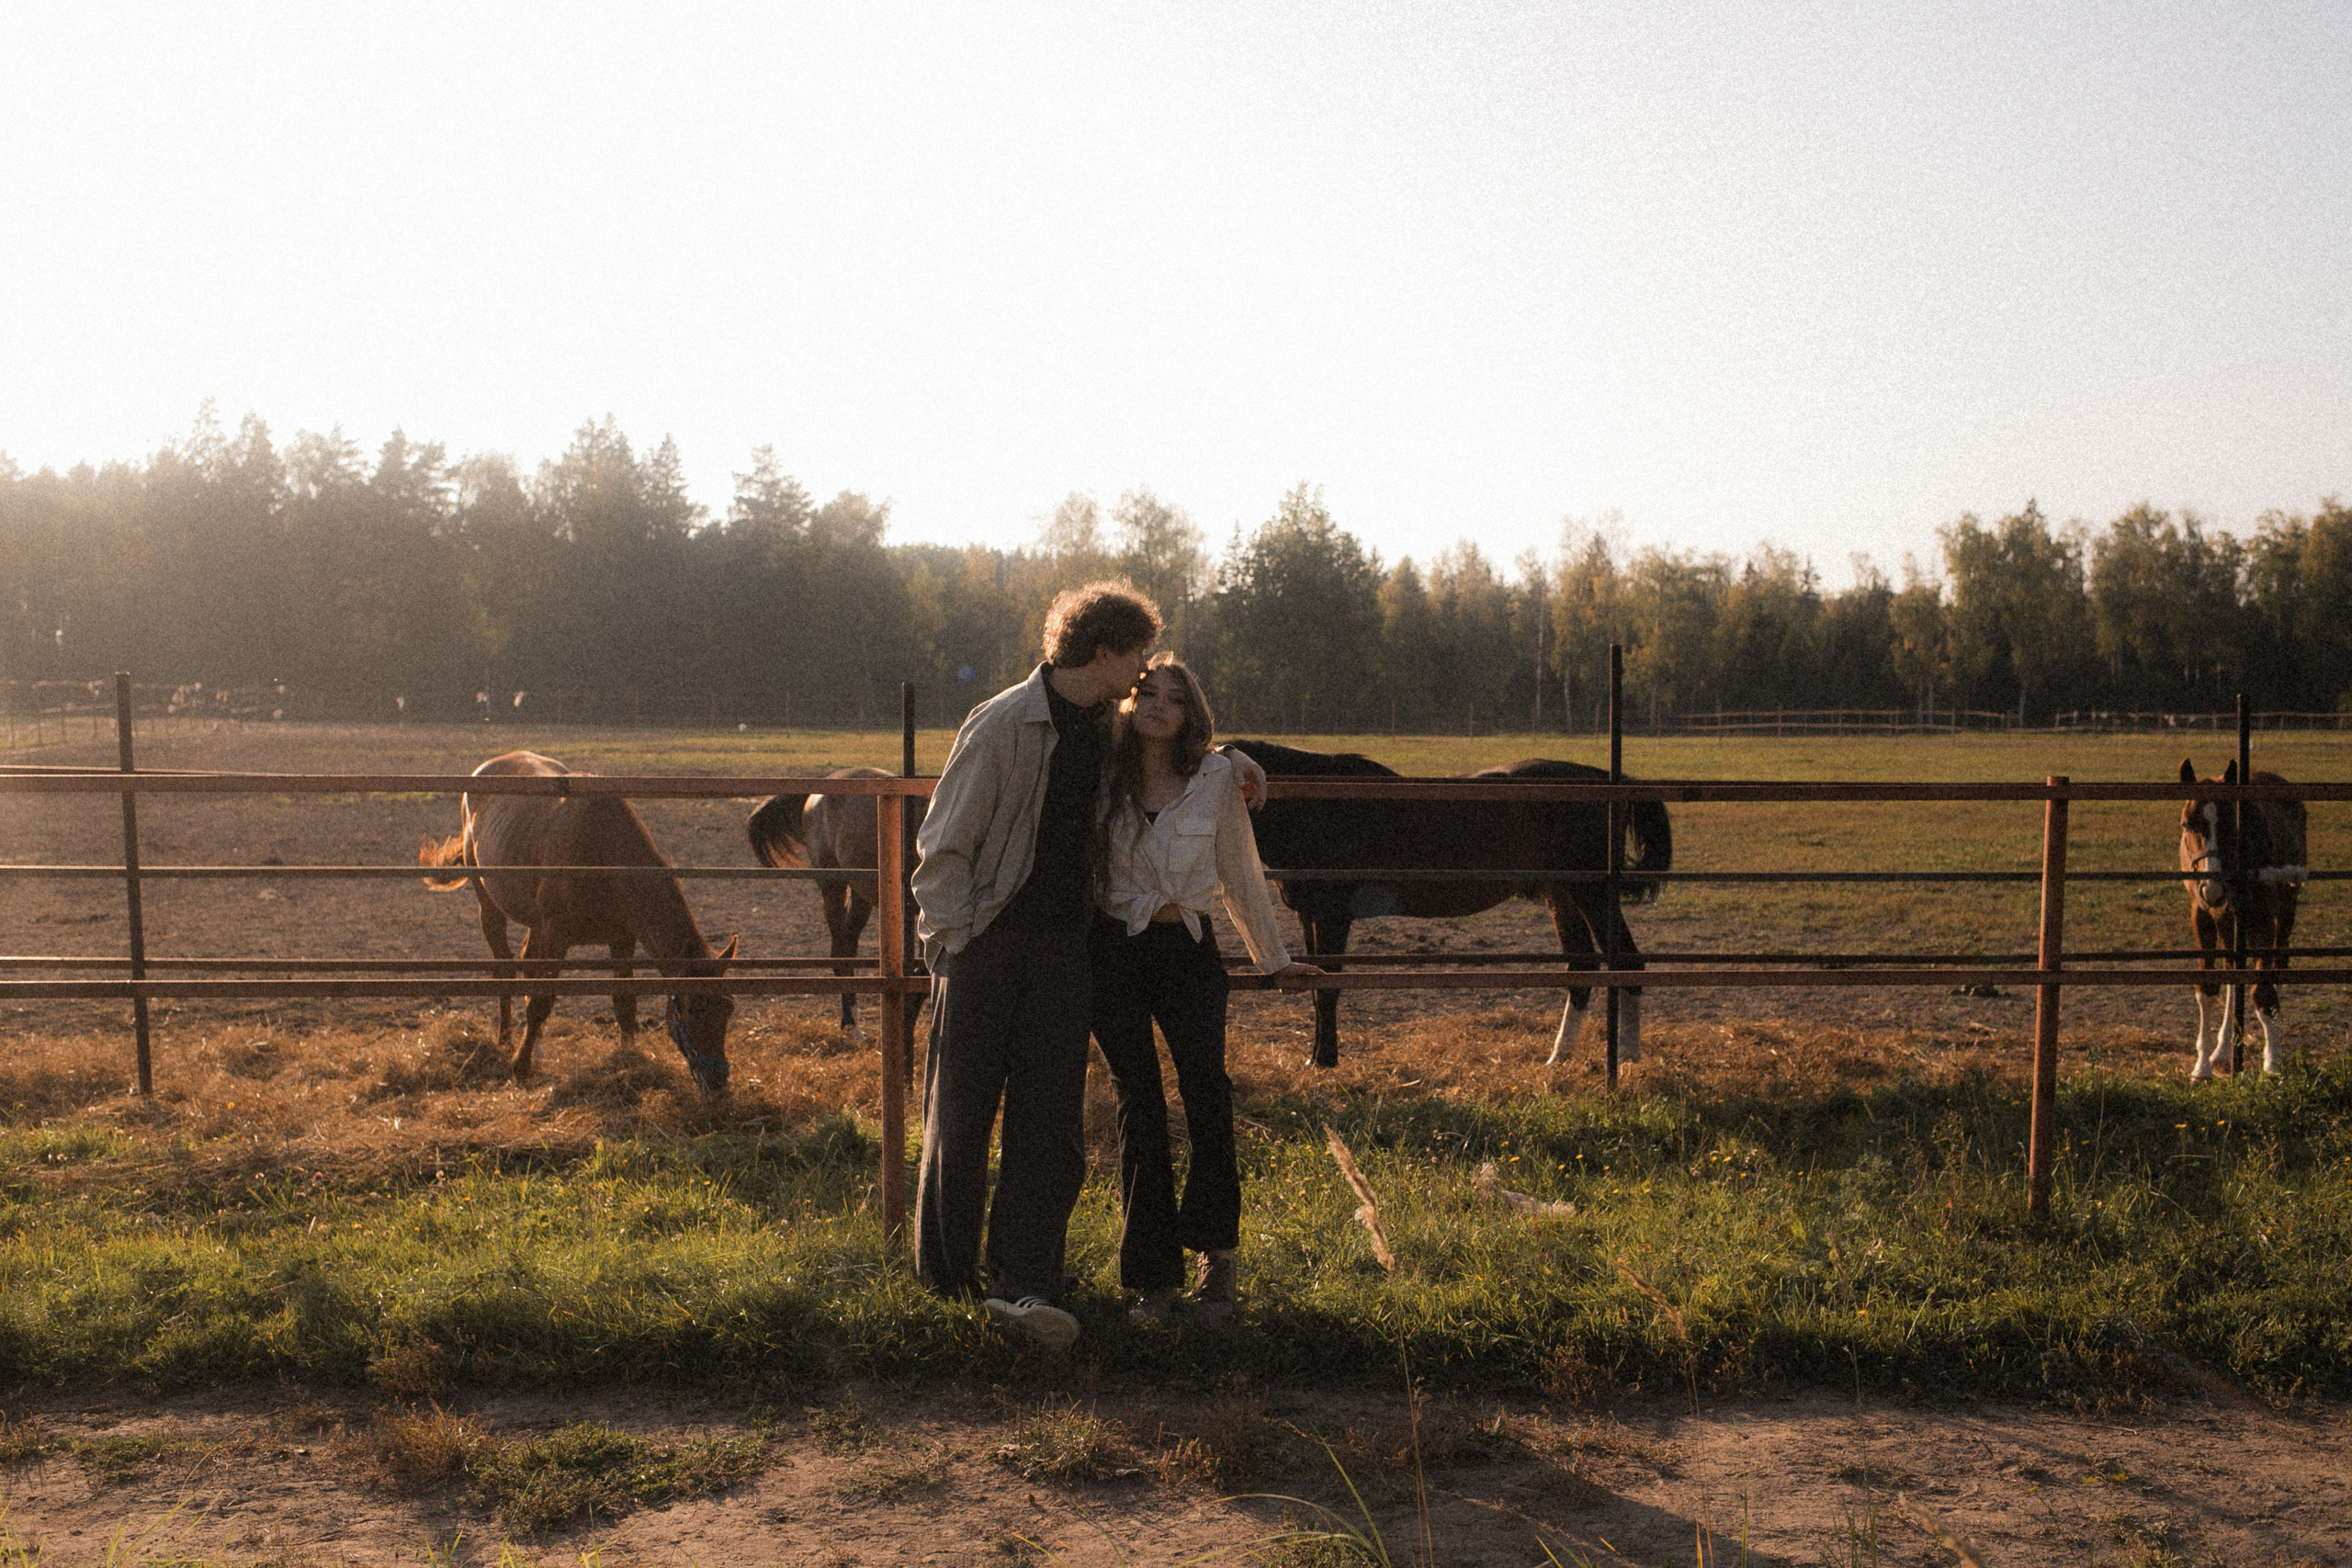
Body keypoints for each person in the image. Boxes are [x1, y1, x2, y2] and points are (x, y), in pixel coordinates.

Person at [909, 583, 1159, 1350]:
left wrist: (1239, 762)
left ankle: (1027, 1284)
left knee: (1050, 1125)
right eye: (1139, 652)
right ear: (1103, 649)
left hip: (1064, 953)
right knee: (961, 1116)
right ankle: (946, 1283)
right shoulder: (1001, 723)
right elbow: (943, 845)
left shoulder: (1109, 729)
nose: (1146, 669)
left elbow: (1184, 754)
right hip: (985, 946)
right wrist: (957, 941)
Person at [1091, 655, 1322, 1323]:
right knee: (1139, 1105)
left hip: (1187, 950)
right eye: (1146, 693)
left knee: (1207, 1095)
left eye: (1174, 697)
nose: (1158, 705)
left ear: (1190, 712)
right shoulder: (1101, 771)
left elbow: (1240, 872)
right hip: (1112, 952)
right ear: (1128, 703)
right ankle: (1151, 1279)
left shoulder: (1216, 778)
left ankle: (1217, 1258)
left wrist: (1274, 960)